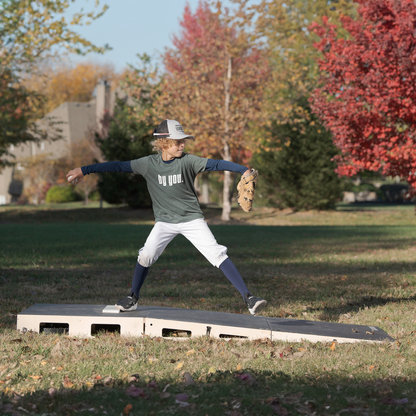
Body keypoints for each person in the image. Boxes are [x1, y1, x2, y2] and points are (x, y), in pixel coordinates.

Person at [66, 119, 267, 315]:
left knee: (217, 254)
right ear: (163, 143)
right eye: (177, 141)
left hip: (192, 220)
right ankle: (132, 298)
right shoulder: (148, 164)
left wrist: (243, 170)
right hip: (165, 223)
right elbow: (118, 166)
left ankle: (249, 298)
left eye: (183, 141)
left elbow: (215, 164)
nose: (182, 144)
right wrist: (85, 170)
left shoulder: (189, 161)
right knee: (146, 255)